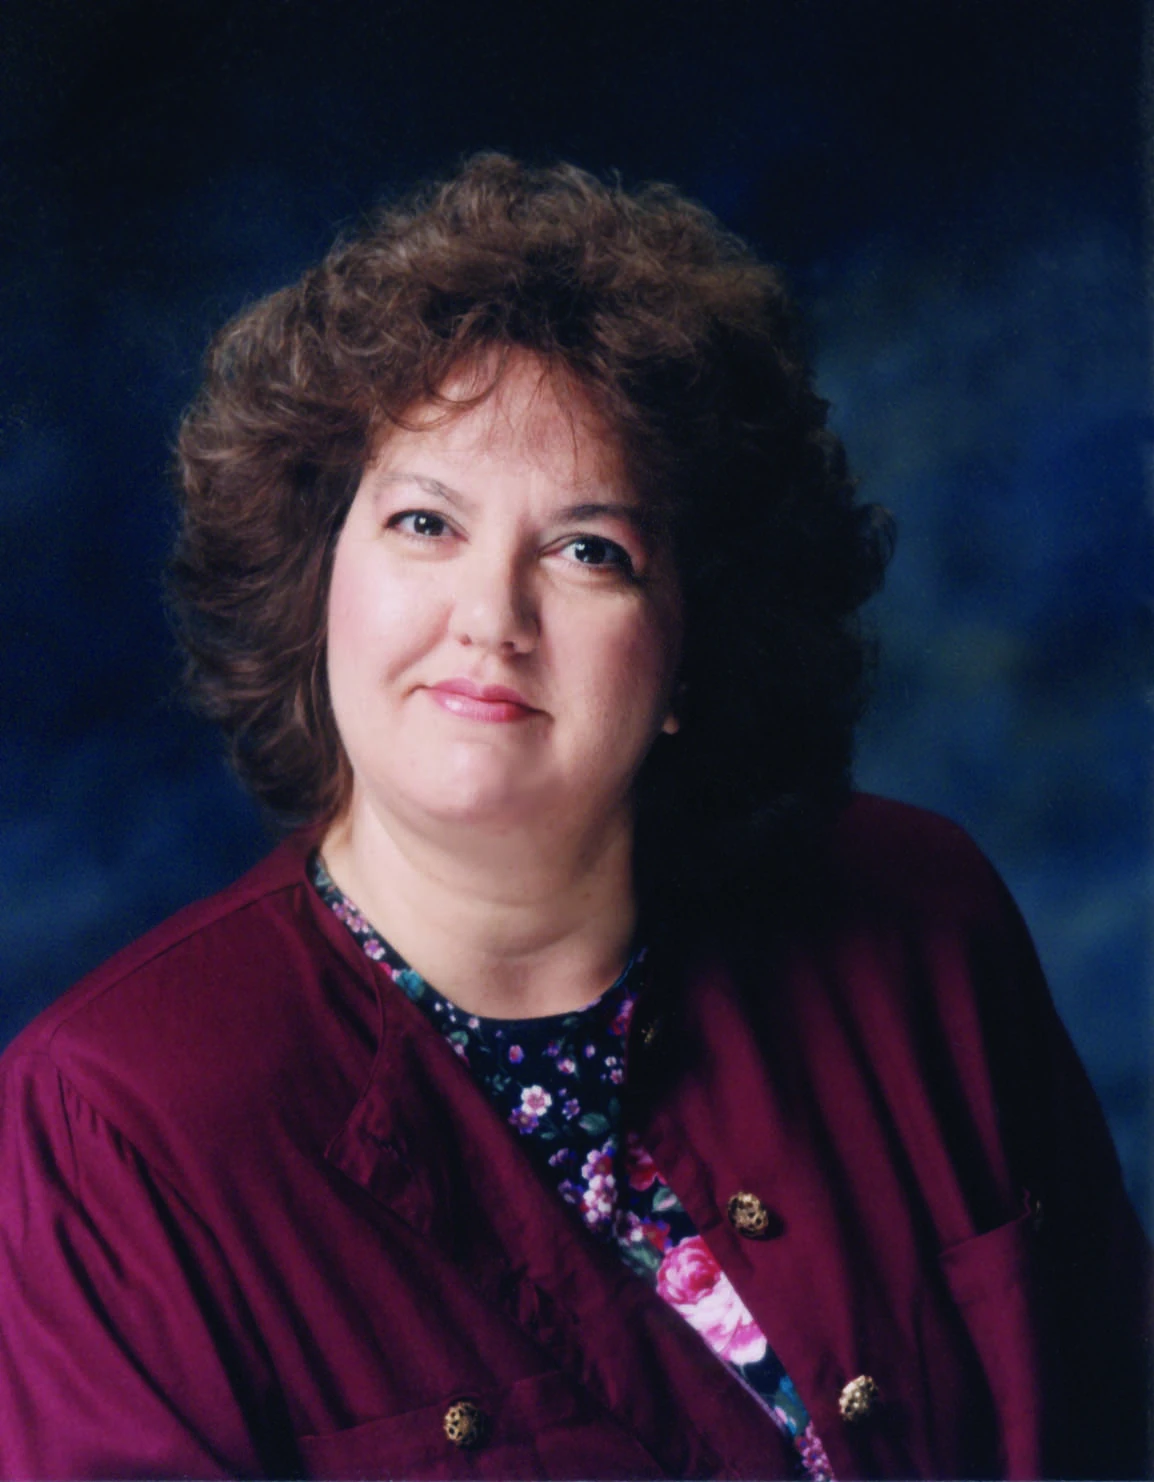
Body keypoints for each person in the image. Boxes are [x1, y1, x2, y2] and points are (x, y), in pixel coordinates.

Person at [0, 155, 1146, 1481]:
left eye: (587, 549)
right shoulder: (116, 1129)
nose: (491, 615)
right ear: (317, 580)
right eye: (425, 522)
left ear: (692, 642)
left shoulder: (921, 919)